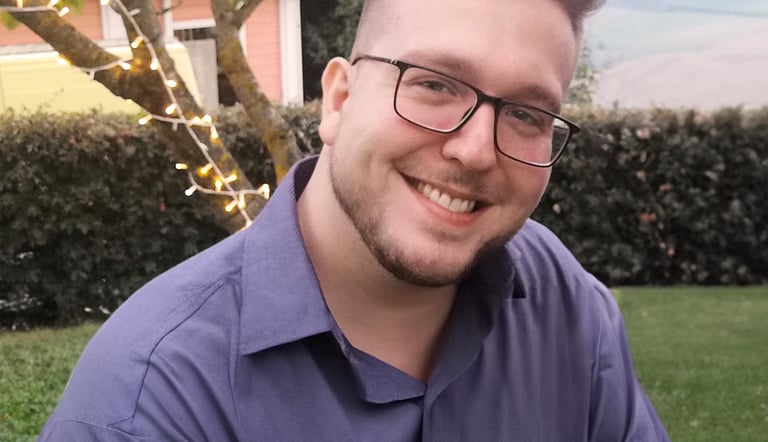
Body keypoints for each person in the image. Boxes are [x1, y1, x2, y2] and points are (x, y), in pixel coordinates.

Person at [40, 0, 670, 440]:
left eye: (527, 115)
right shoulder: (151, 403)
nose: (477, 151)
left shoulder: (565, 309)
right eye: (435, 84)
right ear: (339, 101)